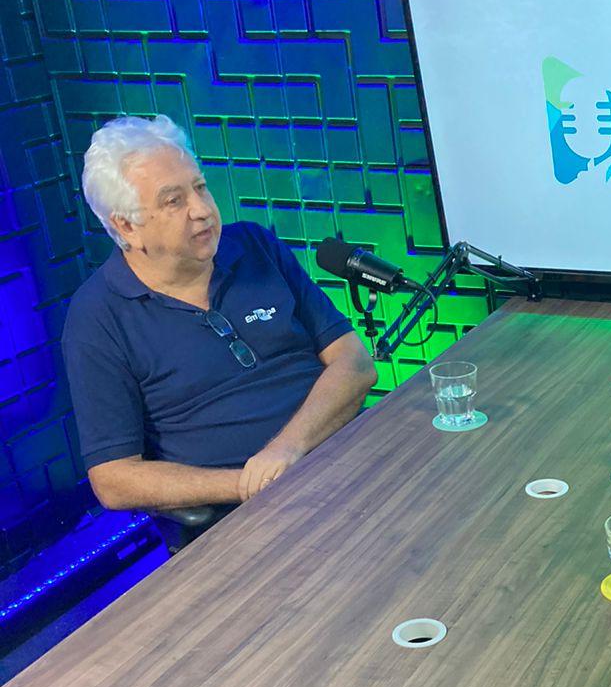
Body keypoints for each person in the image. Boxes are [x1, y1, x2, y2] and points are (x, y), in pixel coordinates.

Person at [63, 115, 376, 512]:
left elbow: (354, 362)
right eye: (174, 201)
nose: (202, 210)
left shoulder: (255, 245)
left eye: (200, 187)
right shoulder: (97, 318)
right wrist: (249, 483)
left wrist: (287, 449)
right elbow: (114, 479)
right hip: (252, 511)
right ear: (126, 227)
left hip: (348, 449)